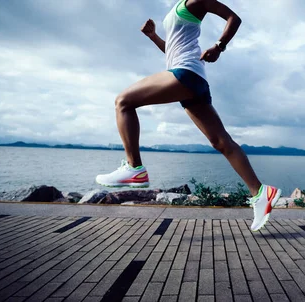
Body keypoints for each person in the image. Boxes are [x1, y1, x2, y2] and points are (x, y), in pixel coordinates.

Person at [95, 0, 281, 231]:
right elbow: (172, 51)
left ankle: (135, 168)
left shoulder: (195, 1)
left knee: (123, 101)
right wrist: (153, 36)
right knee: (221, 142)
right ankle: (261, 192)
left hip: (186, 73)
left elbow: (234, 18)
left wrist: (219, 46)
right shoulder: (175, 10)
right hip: (191, 77)